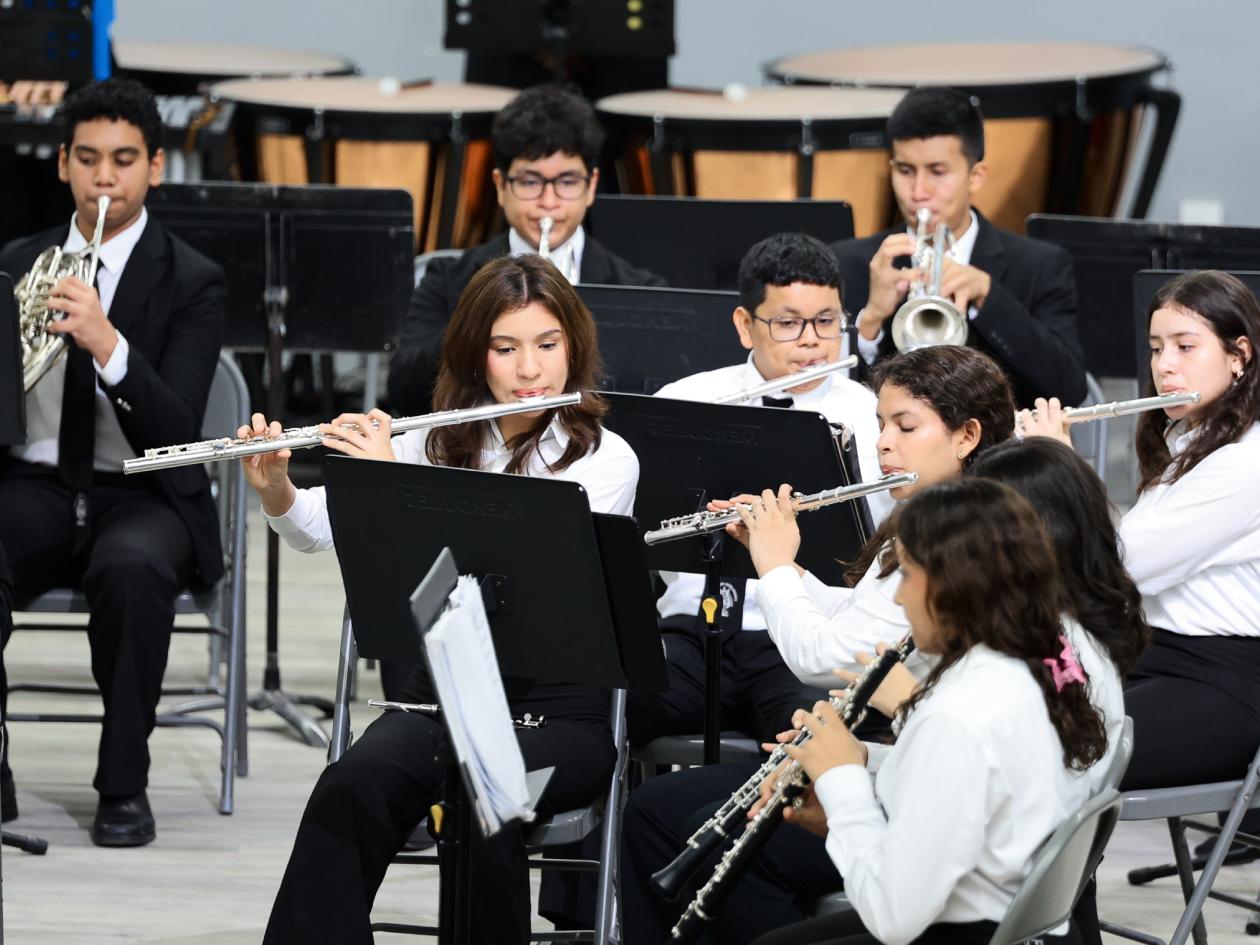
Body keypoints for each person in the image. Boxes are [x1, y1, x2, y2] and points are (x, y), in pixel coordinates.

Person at [255, 255, 638, 945]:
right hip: (439, 699)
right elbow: (315, 524)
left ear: (575, 348)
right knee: (353, 781)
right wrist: (276, 486)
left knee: (481, 787)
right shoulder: (433, 437)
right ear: (475, 357)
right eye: (507, 348)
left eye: (548, 345)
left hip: (555, 717)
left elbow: (523, 580)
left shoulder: (606, 460)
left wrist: (389, 489)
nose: (531, 371)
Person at [620, 345, 1016, 944]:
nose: (882, 443)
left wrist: (777, 564)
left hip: (930, 793)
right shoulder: (932, 514)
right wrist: (772, 557)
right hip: (906, 760)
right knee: (653, 811)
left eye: (905, 427)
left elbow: (829, 658)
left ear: (967, 436)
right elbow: (860, 615)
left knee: (716, 838)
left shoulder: (963, 535)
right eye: (880, 424)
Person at [0, 77, 226, 847]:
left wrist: (110, 344)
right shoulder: (20, 260)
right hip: (34, 481)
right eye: (88, 159)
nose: (105, 178)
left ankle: (123, 783)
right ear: (62, 163)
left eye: (124, 161)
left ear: (155, 168)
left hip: (144, 488)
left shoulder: (193, 279)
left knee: (132, 572)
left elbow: (179, 428)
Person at [745, 478, 1108, 945]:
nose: (896, 600)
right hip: (1019, 914)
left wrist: (841, 782)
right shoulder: (1045, 654)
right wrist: (854, 758)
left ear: (954, 587)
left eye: (907, 577)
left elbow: (892, 916)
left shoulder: (958, 709)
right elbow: (968, 781)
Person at [628, 232, 891, 750]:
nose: (813, 341)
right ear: (746, 326)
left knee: (819, 743)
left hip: (802, 635)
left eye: (826, 321)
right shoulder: (686, 400)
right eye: (788, 323)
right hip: (691, 633)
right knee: (605, 708)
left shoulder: (874, 417)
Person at [1023, 270, 1259, 822]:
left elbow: (1117, 568)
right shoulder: (1190, 446)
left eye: (1185, 346)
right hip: (1144, 660)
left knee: (1047, 758)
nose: (1164, 366)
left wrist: (1058, 469)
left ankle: (1049, 910)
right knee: (1005, 719)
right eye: (1156, 348)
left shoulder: (1244, 464)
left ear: (1239, 355)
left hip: (1218, 686)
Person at [387, 82, 665, 417]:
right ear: (501, 186)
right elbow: (404, 390)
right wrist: (478, 317)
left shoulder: (642, 290)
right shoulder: (448, 280)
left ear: (591, 186)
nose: (548, 203)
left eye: (566, 182)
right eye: (530, 182)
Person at [830, 86, 1086, 408]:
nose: (919, 191)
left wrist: (989, 297)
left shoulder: (1039, 264)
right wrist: (870, 321)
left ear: (976, 177)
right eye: (905, 171)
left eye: (937, 172)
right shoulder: (850, 262)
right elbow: (826, 398)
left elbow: (1069, 388)